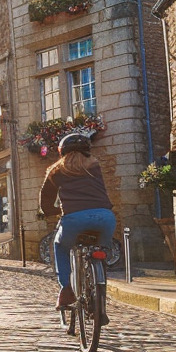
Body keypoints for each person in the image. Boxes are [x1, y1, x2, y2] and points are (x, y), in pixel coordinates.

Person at [39, 131, 116, 316]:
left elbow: (46, 202)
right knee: (100, 253)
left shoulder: (56, 170)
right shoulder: (95, 166)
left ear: (61, 151)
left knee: (60, 245)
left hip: (74, 219)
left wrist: (53, 212)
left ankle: (66, 289)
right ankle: (99, 298)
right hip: (105, 217)